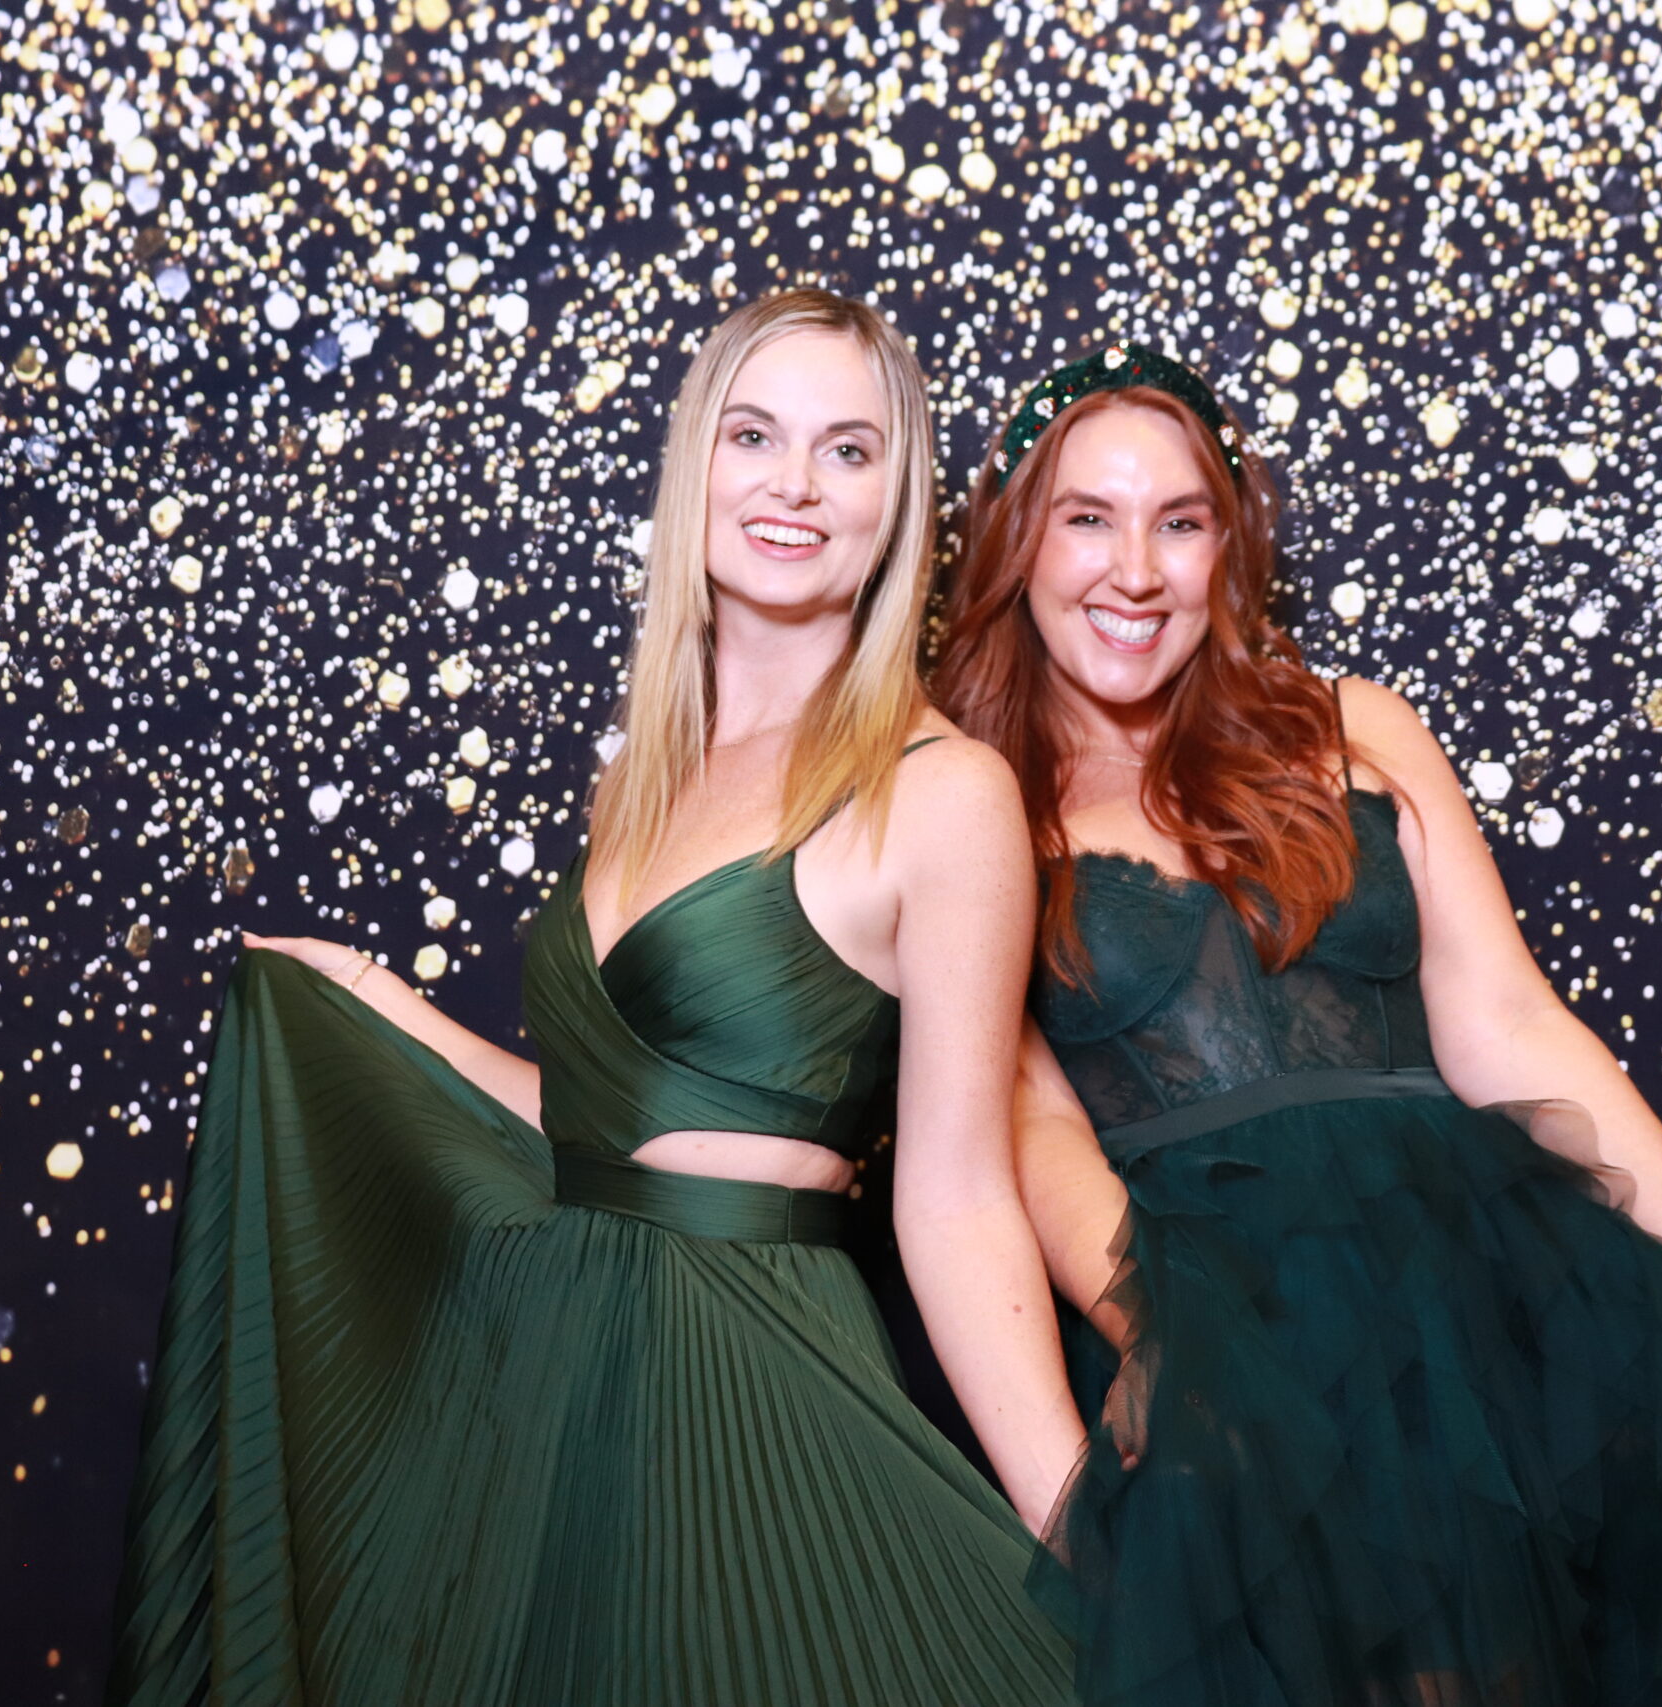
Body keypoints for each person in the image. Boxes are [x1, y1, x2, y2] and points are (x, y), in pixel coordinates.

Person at [935, 345, 1662, 1707]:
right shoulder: (968, 796)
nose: (1136, 570)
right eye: (1087, 519)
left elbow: (1514, 1024)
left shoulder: (1354, 726)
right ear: (1017, 540)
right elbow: (1023, 1117)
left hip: (1465, 1308)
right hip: (1225, 1320)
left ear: (1228, 547)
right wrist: (1156, 1331)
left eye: (1180, 522)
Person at [107, 291, 1082, 1706]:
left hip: (744, 1394)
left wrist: (1089, 1532)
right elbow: (608, 1119)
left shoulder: (945, 796)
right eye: (755, 436)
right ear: (698, 466)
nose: (797, 485)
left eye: (848, 450)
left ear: (898, 505)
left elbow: (957, 1198)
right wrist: (373, 998)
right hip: (554, 1387)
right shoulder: (642, 780)